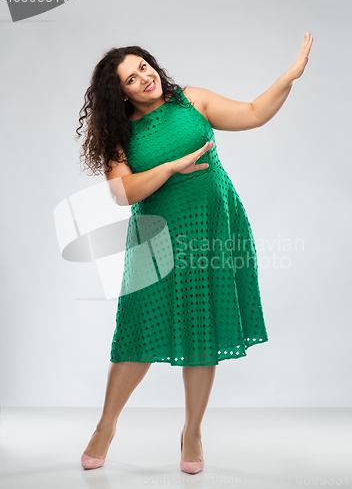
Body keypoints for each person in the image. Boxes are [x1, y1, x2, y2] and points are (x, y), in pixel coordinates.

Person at [75, 34, 314, 473]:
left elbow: (253, 113)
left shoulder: (192, 100)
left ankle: (193, 431)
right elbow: (123, 193)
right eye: (132, 78)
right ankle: (106, 426)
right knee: (138, 331)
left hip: (214, 225)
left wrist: (288, 77)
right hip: (157, 235)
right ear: (120, 92)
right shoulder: (118, 134)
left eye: (144, 66)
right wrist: (169, 168)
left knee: (203, 326)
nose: (145, 77)